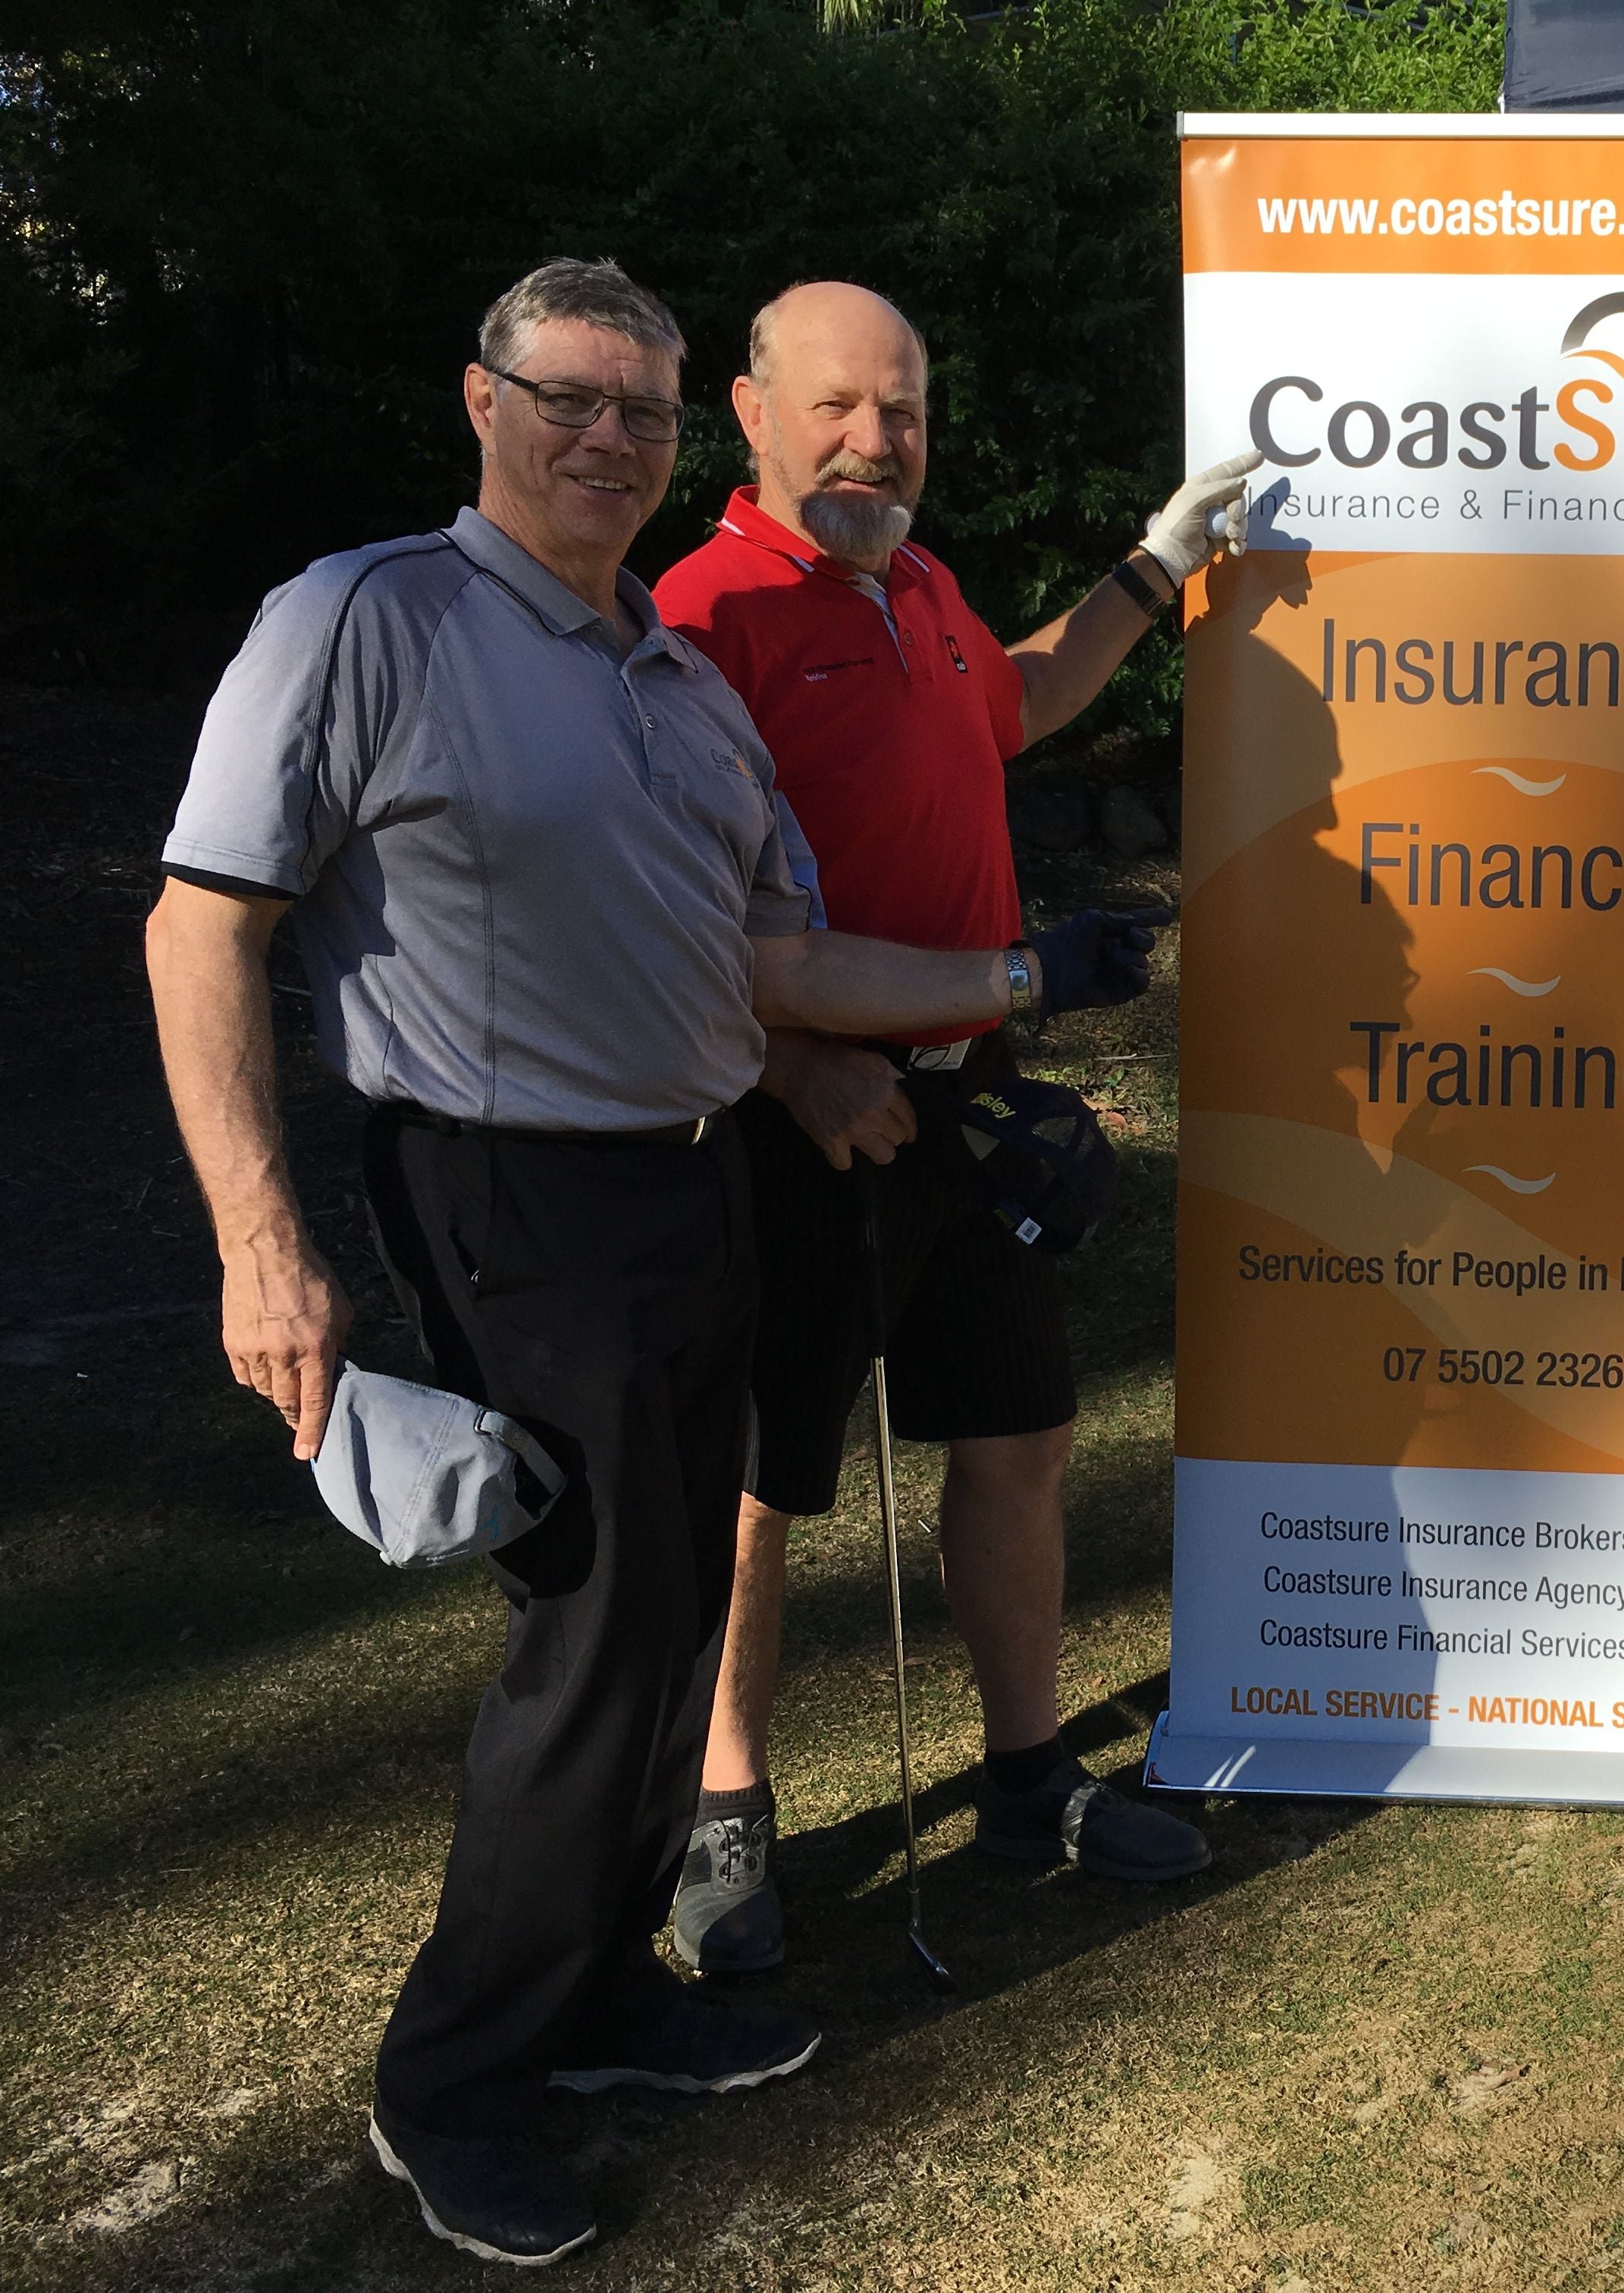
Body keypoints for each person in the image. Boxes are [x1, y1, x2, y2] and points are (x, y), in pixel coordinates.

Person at [146, 259, 1156, 2266]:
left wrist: (1025, 978)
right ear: (485, 403)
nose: (607, 438)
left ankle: (607, 1997)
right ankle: (455, 2085)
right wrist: (261, 1242)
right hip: (511, 1190)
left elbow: (788, 961)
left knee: (678, 1611)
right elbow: (201, 926)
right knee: (599, 1636)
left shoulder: (672, 683)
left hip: (696, 1180)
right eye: (570, 399)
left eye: (639, 408)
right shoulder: (365, 618)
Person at [649, 281, 1259, 1971]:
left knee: (1019, 1438)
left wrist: (1159, 564)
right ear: (751, 415)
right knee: (760, 1488)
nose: (874, 440)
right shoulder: (701, 620)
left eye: (903, 409)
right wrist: (789, 1065)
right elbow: (653, 916)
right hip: (796, 1123)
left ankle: (1025, 1776)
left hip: (964, 1106)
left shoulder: (916, 584)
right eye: (837, 406)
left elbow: (1023, 700)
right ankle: (721, 1814)